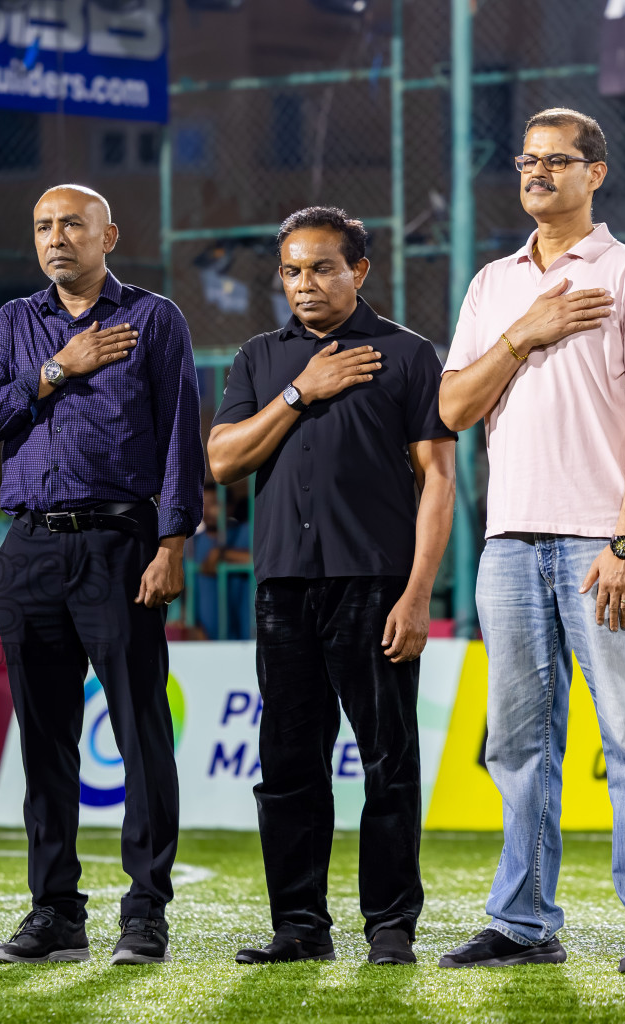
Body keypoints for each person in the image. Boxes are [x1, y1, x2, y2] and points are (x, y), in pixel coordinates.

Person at [438, 108, 625, 972]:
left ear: (597, 174)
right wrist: (523, 334)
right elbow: (453, 407)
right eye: (528, 159)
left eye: (557, 159)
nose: (538, 171)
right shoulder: (493, 285)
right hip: (509, 543)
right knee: (517, 744)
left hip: (603, 542)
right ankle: (523, 924)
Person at [207, 207, 457, 966]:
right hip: (283, 586)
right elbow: (222, 460)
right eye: (291, 271)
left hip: (376, 586)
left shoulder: (407, 354)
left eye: (321, 267)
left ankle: (390, 926)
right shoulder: (260, 358)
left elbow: (438, 481)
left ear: (359, 271)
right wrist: (300, 393)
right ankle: (299, 927)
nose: (304, 283)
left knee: (388, 761)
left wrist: (418, 593)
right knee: (288, 764)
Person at [0, 184, 202, 966]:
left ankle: (146, 913)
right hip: (27, 548)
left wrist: (172, 543)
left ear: (109, 235)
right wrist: (55, 370)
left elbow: (181, 437)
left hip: (119, 544)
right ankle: (56, 913)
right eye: (43, 226)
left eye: (72, 224)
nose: (56, 237)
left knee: (140, 732)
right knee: (45, 743)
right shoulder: (14, 322)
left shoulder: (154, 319)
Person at [191, 483, 252, 640]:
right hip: (208, 634)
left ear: (230, 507)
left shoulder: (245, 532)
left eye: (214, 503)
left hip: (248, 629)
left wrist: (223, 553)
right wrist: (193, 626)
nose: (207, 510)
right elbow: (186, 591)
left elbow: (263, 560)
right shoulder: (193, 544)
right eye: (202, 504)